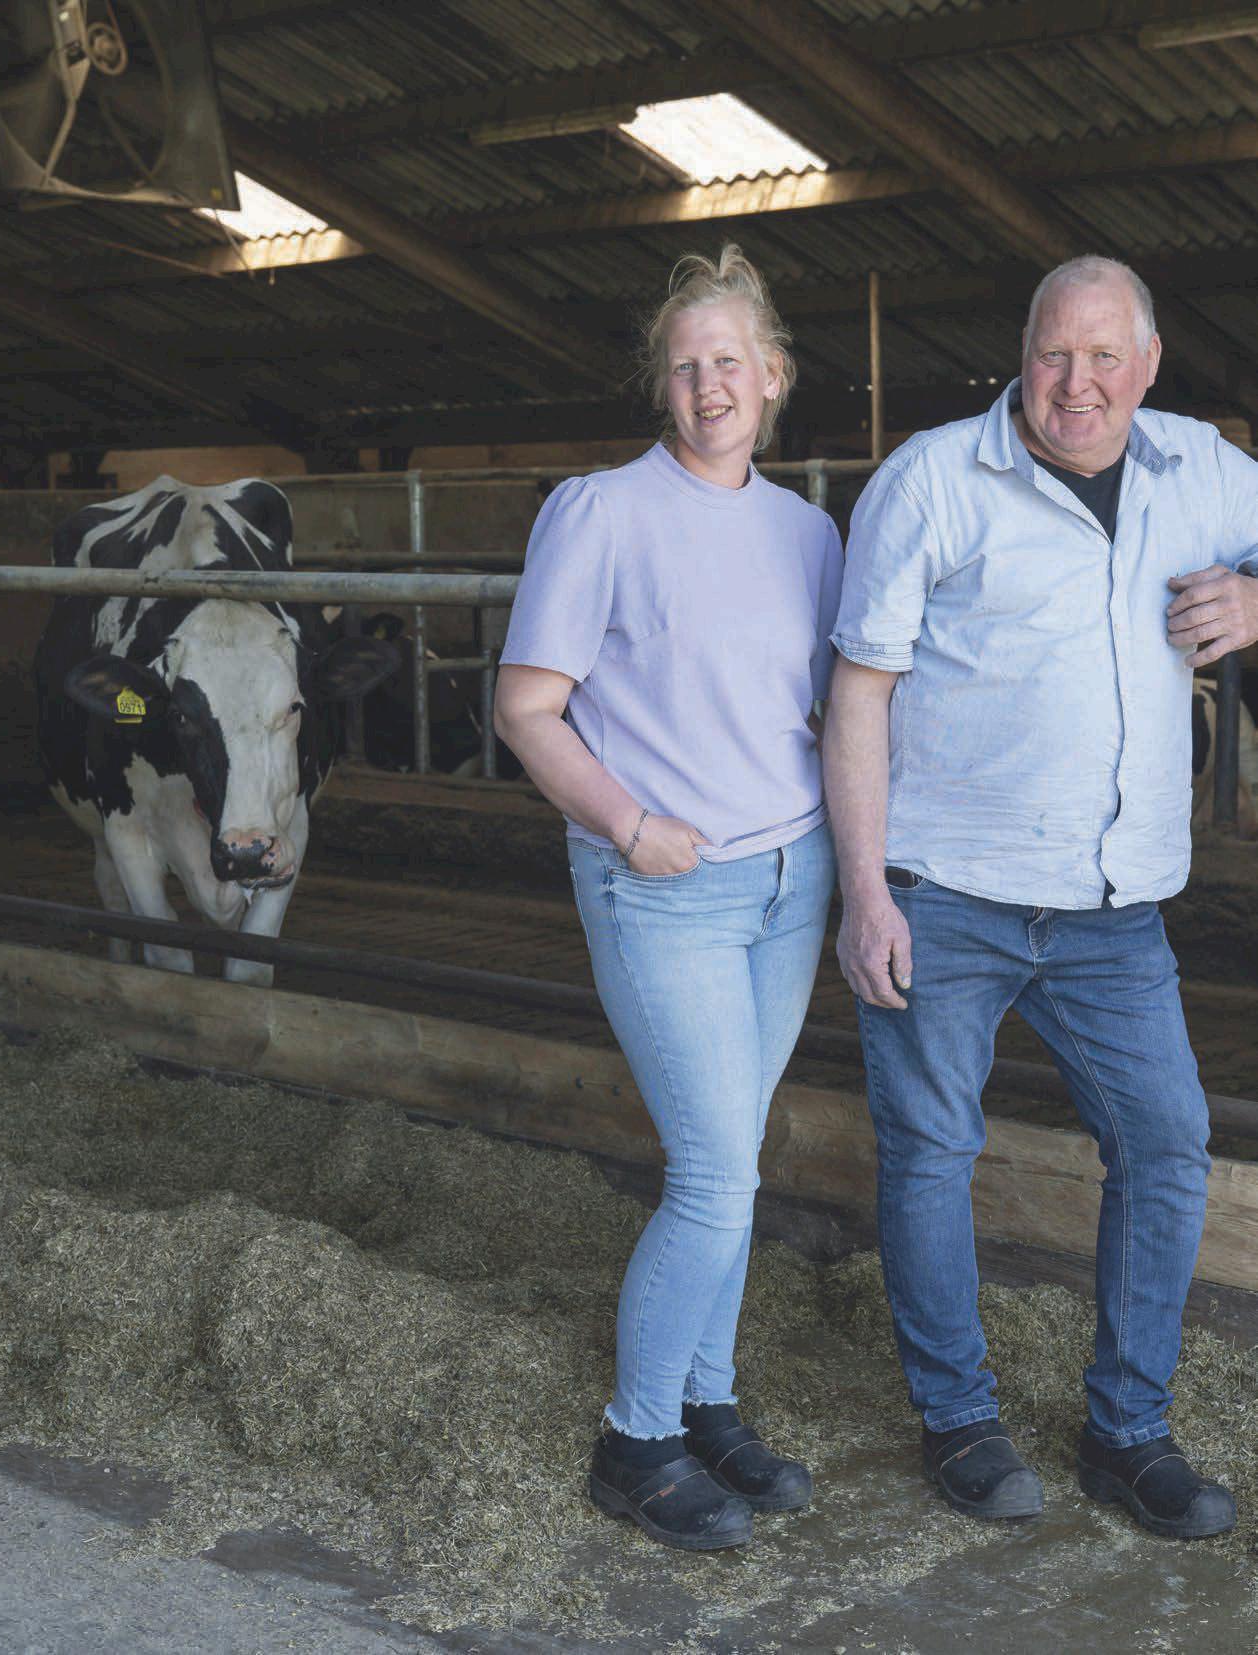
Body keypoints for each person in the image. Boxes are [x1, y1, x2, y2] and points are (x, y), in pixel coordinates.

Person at [824, 254, 1258, 1539]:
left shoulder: (1202, 472)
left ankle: (1126, 1432)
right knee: (930, 1151)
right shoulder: (931, 480)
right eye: (1053, 354)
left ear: (1149, 364)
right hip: (945, 889)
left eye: (1104, 357)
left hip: (1113, 909)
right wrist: (865, 893)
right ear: (1020, 354)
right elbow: (858, 692)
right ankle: (958, 1419)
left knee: (1166, 1143)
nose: (1077, 384)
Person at [493, 246, 842, 1552]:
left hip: (788, 876)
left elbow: (838, 705)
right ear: (664, 385)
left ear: (774, 375)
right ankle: (633, 1438)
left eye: (730, 362)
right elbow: (526, 707)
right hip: (663, 884)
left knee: (732, 1159)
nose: (710, 387)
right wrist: (630, 825)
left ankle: (707, 1400)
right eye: (686, 367)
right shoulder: (599, 512)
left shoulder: (808, 533)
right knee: (712, 1172)